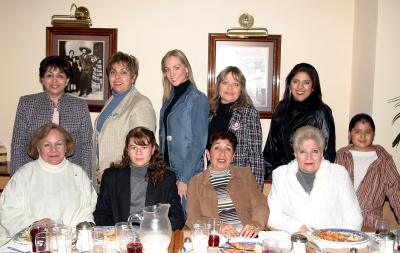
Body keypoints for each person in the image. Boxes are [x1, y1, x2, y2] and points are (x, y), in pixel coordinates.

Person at [0, 123, 97, 236]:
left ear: (66, 147)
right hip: (33, 242)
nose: (54, 149)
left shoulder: (79, 174)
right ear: (38, 148)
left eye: (59, 144)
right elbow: (7, 211)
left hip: (71, 242)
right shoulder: (23, 175)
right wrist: (36, 225)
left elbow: (87, 210)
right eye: (47, 145)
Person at [267, 126, 362, 233]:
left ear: (322, 153)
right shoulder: (280, 175)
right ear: (295, 153)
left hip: (332, 243)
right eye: (303, 151)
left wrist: (338, 239)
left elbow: (354, 218)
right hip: (295, 241)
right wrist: (294, 226)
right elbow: (271, 215)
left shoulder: (339, 174)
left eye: (314, 151)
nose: (309, 157)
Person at [10, 55, 93, 177]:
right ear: (42, 79)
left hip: (70, 175)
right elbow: (18, 143)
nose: (54, 80)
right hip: (34, 175)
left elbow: (87, 145)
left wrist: (86, 178)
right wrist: (17, 178)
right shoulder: (26, 103)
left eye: (60, 76)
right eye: (49, 75)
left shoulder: (80, 105)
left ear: (67, 80)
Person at [94, 127, 184, 230]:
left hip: (153, 237)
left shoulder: (167, 178)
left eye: (144, 147)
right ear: (127, 150)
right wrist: (117, 232)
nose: (138, 152)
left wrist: (153, 230)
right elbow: (101, 214)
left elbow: (177, 217)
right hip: (120, 237)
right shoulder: (111, 176)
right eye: (133, 147)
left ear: (153, 149)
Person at [187, 130, 269, 238]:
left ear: (233, 156)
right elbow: (193, 218)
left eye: (228, 149)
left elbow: (260, 204)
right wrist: (217, 226)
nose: (222, 153)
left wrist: (255, 224)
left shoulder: (245, 175)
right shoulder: (195, 182)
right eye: (217, 148)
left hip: (246, 236)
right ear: (208, 154)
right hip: (215, 237)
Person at [263, 63, 336, 179]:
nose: (300, 87)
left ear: (313, 87)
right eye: (295, 81)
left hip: (311, 177)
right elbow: (271, 149)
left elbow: (328, 153)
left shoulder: (321, 112)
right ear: (289, 85)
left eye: (306, 82)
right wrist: (267, 177)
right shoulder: (281, 109)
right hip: (283, 176)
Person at [93, 52, 156, 185]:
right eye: (113, 72)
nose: (117, 77)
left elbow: (141, 150)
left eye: (123, 72)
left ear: (133, 77)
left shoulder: (140, 104)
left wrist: (113, 172)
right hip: (103, 176)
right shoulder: (112, 100)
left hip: (122, 179)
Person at [159, 49, 209, 203]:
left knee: (188, 224)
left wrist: (184, 178)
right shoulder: (169, 98)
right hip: (168, 171)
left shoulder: (197, 98)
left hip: (187, 173)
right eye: (167, 69)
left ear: (186, 69)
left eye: (176, 67)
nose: (172, 73)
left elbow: (199, 143)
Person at [336, 113, 400, 227]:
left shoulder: (384, 159)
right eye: (357, 131)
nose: (362, 136)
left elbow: (396, 192)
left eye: (367, 132)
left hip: (370, 224)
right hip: (341, 221)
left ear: (373, 134)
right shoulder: (340, 156)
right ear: (350, 134)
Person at [209, 66, 264, 189]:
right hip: (210, 180)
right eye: (225, 82)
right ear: (218, 86)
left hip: (237, 184)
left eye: (236, 84)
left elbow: (255, 156)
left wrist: (255, 191)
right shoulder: (208, 112)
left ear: (241, 89)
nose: (230, 88)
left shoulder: (249, 114)